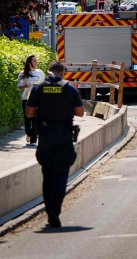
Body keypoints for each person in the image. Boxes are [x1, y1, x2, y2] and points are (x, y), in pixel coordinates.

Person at [26, 61, 84, 228]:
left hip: (45, 136)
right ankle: (54, 211)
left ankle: (48, 210)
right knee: (61, 175)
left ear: (49, 72)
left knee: (47, 175)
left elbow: (29, 113)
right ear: (62, 72)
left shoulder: (38, 88)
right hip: (64, 136)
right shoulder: (69, 88)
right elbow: (80, 113)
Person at [17, 55, 45, 144]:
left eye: (36, 61)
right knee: (27, 120)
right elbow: (19, 87)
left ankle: (33, 139)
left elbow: (44, 85)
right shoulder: (23, 73)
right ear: (29, 62)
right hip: (26, 99)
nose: (36, 62)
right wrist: (25, 86)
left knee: (35, 120)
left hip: (38, 100)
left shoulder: (40, 72)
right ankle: (28, 133)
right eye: (34, 61)